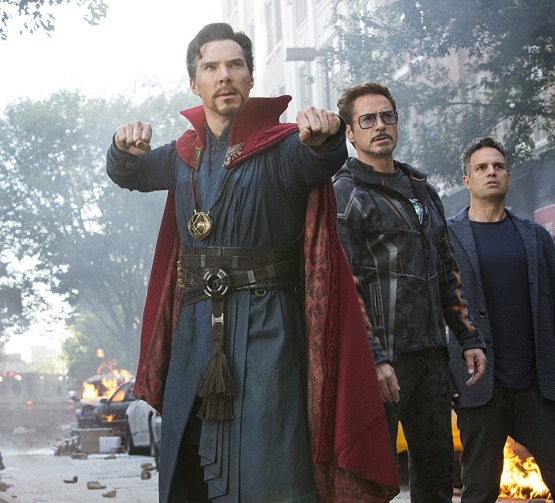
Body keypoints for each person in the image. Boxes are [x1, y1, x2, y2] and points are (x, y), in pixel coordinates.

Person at [106, 23, 398, 503]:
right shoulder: (182, 156)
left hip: (269, 330)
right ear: (194, 82)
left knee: (270, 462)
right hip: (195, 333)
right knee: (188, 468)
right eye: (211, 67)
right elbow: (130, 173)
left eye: (235, 65)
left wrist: (325, 136)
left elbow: (319, 160)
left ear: (250, 77)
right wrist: (121, 147)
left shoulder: (283, 146)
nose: (224, 75)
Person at [333, 81, 487, 502]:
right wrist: (375, 357)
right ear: (350, 132)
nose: (380, 126)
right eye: (367, 119)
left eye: (387, 116)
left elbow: (445, 270)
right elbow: (346, 285)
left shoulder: (422, 189)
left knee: (437, 476)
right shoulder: (345, 193)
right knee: (372, 480)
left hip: (432, 355)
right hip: (383, 362)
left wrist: (468, 336)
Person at [446, 136, 555, 503]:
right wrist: (444, 375)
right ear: (467, 180)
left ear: (508, 176)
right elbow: (436, 309)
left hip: (537, 383)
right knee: (479, 490)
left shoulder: (534, 235)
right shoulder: (446, 237)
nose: (491, 172)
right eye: (481, 167)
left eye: (498, 166)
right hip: (479, 384)